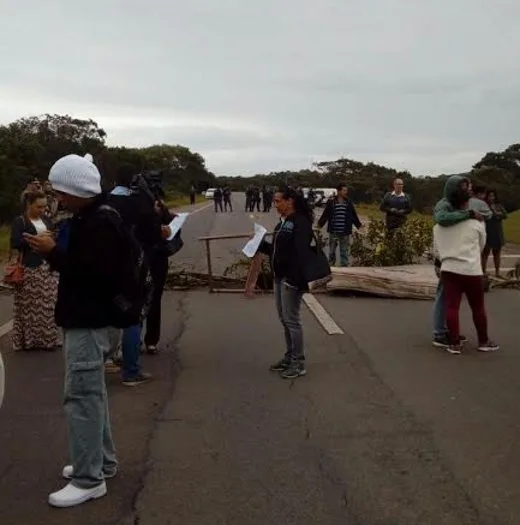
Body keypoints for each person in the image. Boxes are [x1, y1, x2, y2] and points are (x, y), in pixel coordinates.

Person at [24, 154, 123, 507]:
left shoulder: (98, 223)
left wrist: (52, 253)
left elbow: (93, 276)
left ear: (78, 189)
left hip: (88, 319)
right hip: (89, 318)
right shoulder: (97, 215)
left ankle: (88, 479)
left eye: (62, 191)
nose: (58, 198)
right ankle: (102, 463)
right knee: (92, 395)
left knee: (81, 398)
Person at [107, 164, 169, 385]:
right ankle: (131, 371)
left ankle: (108, 358)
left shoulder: (104, 201)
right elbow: (154, 232)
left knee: (110, 311)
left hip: (108, 263)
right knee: (133, 315)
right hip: (134, 263)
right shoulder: (139, 203)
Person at [433, 176, 499, 355]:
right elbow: (481, 245)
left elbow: (437, 247)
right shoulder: (475, 222)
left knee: (451, 306)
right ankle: (483, 341)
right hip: (470, 268)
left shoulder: (437, 227)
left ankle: (454, 342)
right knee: (477, 307)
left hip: (449, 267)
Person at [258, 186, 315, 380]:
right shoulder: (282, 223)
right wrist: (259, 244)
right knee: (285, 320)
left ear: (289, 201)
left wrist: (294, 280)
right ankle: (289, 356)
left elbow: (301, 254)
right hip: (279, 277)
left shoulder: (300, 222)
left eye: (277, 201)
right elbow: (276, 250)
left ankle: (298, 362)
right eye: (274, 201)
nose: (275, 204)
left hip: (291, 280)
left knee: (292, 321)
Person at [10, 190, 60, 351]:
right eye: (38, 207)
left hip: (48, 267)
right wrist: (35, 240)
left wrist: (51, 238)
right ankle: (29, 340)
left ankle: (48, 339)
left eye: (44, 207)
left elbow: (55, 237)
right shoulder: (20, 221)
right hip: (30, 268)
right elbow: (15, 242)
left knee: (49, 304)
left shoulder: (46, 220)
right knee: (29, 306)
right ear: (29, 205)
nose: (42, 210)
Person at [143, 200, 176, 354]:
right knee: (141, 300)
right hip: (142, 257)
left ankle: (151, 340)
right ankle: (142, 341)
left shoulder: (159, 208)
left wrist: (164, 211)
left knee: (155, 299)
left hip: (156, 258)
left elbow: (172, 224)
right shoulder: (137, 206)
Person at [317, 184, 362, 267]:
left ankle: (344, 267)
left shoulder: (348, 202)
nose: (346, 192)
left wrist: (359, 225)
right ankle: (331, 267)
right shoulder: (331, 202)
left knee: (344, 251)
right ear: (338, 191)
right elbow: (326, 214)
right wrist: (319, 225)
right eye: (344, 190)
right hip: (334, 230)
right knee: (332, 251)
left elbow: (353, 215)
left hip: (345, 231)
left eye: (346, 190)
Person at [483, 189, 507, 278]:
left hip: (497, 232)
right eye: (489, 196)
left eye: (493, 196)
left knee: (497, 253)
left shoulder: (499, 205)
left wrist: (497, 213)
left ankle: (497, 272)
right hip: (487, 232)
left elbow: (505, 215)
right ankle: (483, 273)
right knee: (485, 253)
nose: (491, 198)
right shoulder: (484, 206)